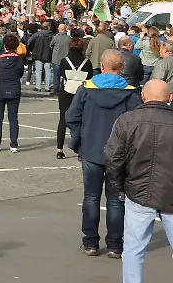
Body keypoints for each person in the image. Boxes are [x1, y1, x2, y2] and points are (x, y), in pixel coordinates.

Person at [65, 48, 143, 258]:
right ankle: (115, 245)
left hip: (91, 148)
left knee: (91, 197)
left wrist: (81, 137)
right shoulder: (130, 93)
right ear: (121, 67)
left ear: (102, 65)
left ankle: (90, 243)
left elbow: (71, 116)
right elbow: (138, 123)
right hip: (119, 153)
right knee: (116, 200)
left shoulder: (86, 89)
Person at [104, 79, 173, 283]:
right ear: (169, 98)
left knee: (134, 250)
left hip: (138, 192)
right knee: (134, 249)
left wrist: (120, 185)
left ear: (143, 96)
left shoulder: (128, 120)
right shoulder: (128, 120)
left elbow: (113, 157)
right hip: (166, 194)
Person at [57, 32, 92, 160]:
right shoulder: (87, 62)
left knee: (63, 120)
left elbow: (61, 74)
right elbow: (90, 77)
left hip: (66, 91)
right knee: (82, 120)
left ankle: (59, 149)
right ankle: (80, 150)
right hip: (81, 92)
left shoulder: (64, 61)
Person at [0, 34, 24, 152]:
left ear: (4, 46)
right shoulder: (19, 59)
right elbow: (20, 74)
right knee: (13, 118)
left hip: (0, 90)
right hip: (14, 90)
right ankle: (13, 144)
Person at [50, 23, 71, 94]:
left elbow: (50, 45)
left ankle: (56, 90)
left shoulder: (55, 37)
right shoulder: (69, 38)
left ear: (59, 29)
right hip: (66, 59)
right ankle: (65, 89)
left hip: (56, 59)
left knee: (56, 75)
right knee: (66, 75)